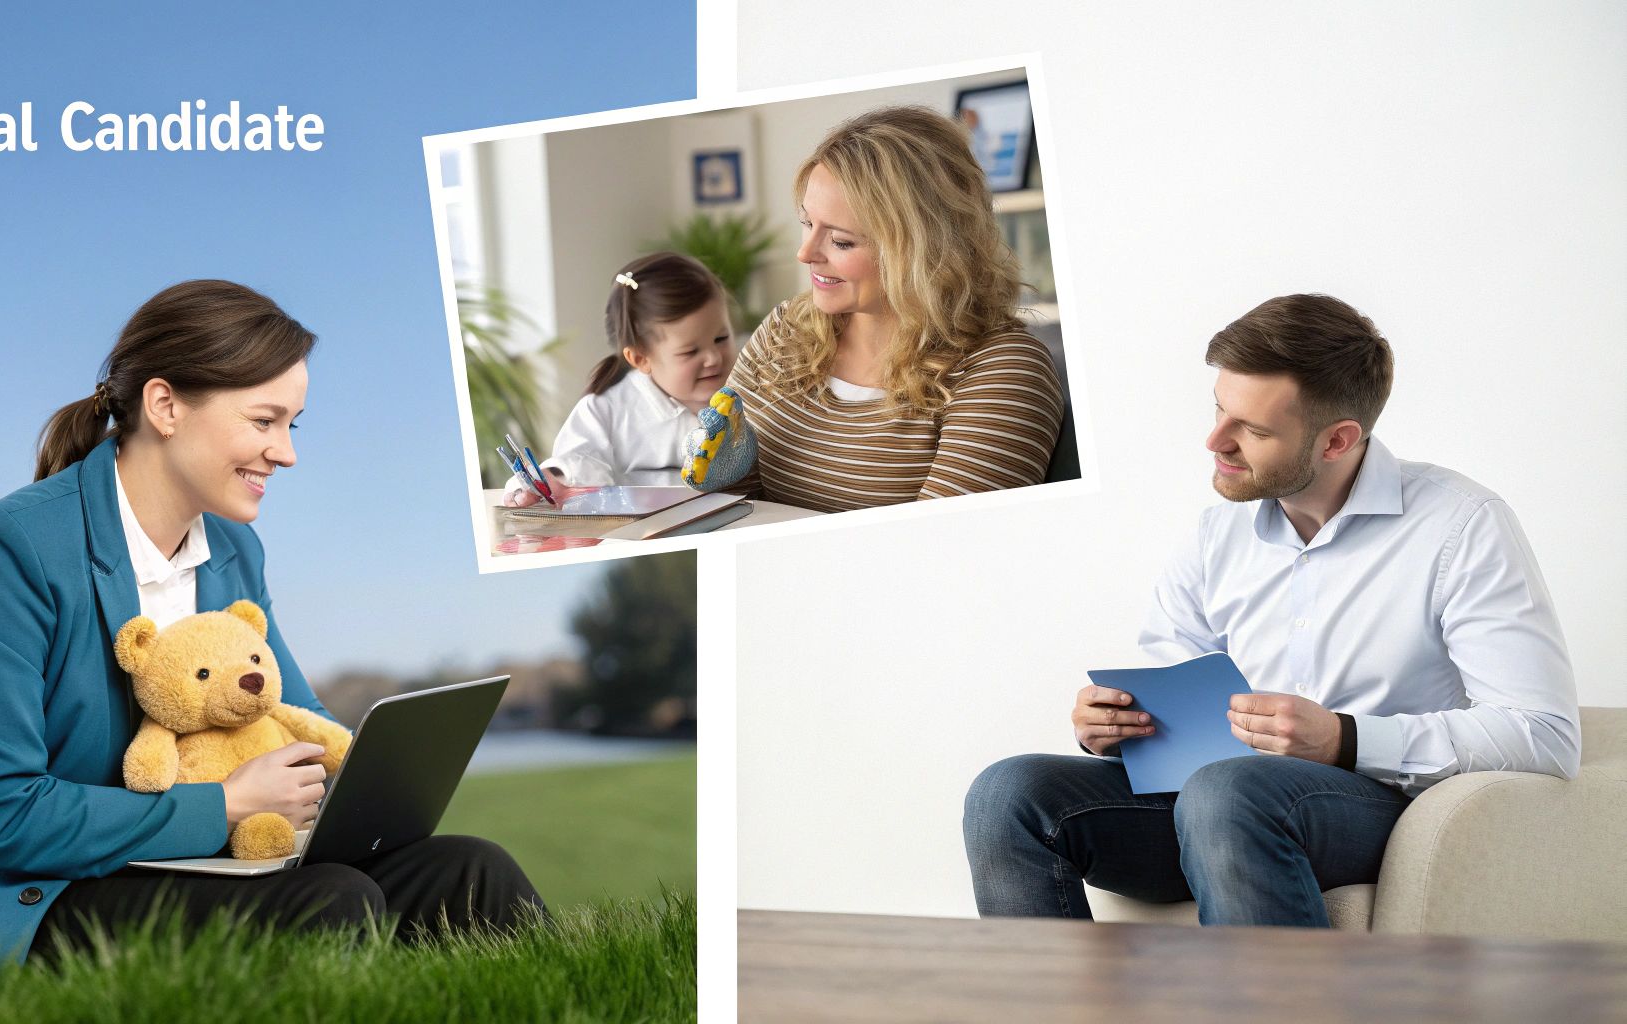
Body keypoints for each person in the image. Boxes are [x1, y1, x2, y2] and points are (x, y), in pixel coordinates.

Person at [0, 280, 542, 969]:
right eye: (264, 422)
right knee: (331, 901)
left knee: (472, 873)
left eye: (292, 426)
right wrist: (225, 806)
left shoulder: (232, 549)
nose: (286, 452)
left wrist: (350, 775)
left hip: (185, 865)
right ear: (166, 406)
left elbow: (288, 709)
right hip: (28, 896)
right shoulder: (5, 550)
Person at [962, 293, 1578, 927]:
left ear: (1337, 440)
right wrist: (1118, 732)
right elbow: (1176, 702)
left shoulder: (1461, 525)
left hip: (1371, 805)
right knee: (1008, 793)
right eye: (1220, 411)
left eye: (1252, 430)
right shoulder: (1214, 536)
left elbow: (1543, 734)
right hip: (1214, 803)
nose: (1215, 441)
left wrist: (1344, 737)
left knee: (1228, 791)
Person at [681, 105, 1063, 512]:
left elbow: (940, 554)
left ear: (923, 250)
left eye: (842, 241)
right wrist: (724, 480)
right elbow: (740, 513)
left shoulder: (1003, 370)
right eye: (808, 223)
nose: (805, 253)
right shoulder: (783, 332)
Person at [502, 252, 735, 507]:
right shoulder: (606, 409)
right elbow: (575, 463)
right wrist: (551, 479)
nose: (713, 358)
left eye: (721, 339)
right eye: (690, 352)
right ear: (640, 358)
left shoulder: (750, 391)